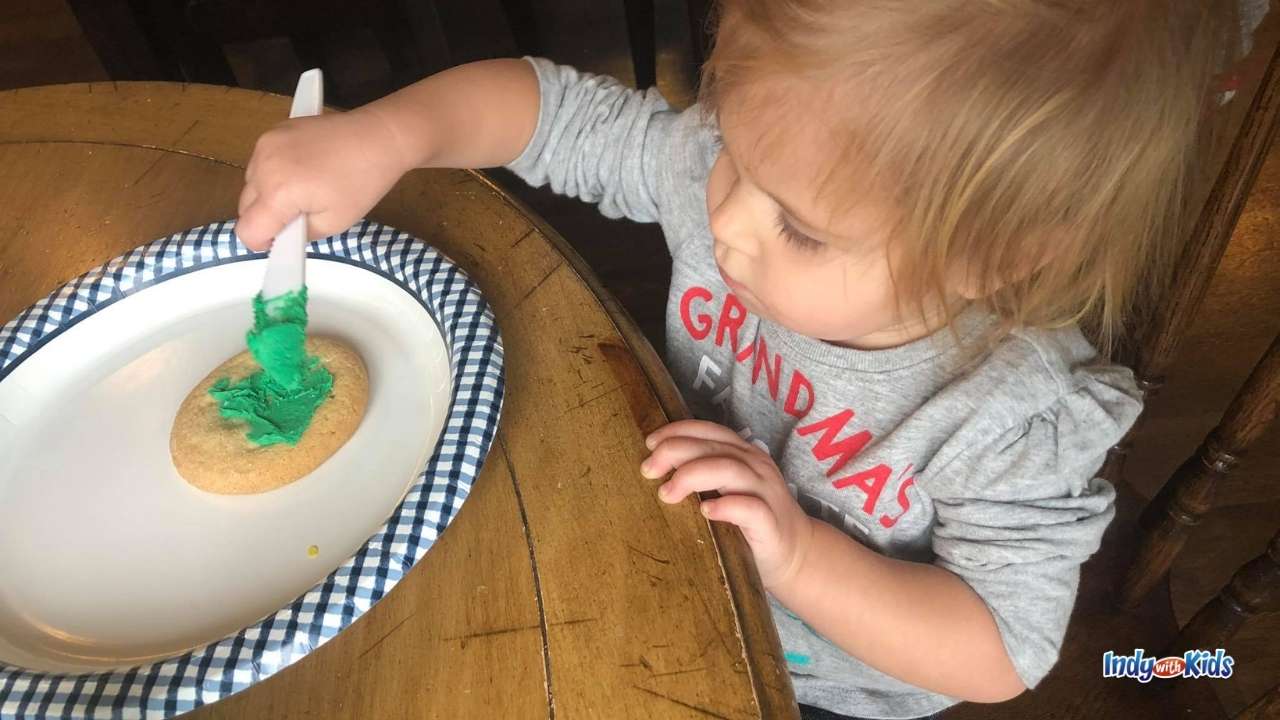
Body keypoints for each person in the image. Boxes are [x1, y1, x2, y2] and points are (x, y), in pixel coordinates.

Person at [234, 2, 1238, 717]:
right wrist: (386, 133)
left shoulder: (1007, 416)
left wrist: (798, 554)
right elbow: (545, 110)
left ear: (993, 256)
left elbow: (996, 651)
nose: (724, 223)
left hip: (834, 682)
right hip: (665, 537)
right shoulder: (743, 177)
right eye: (730, 155)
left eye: (799, 227)